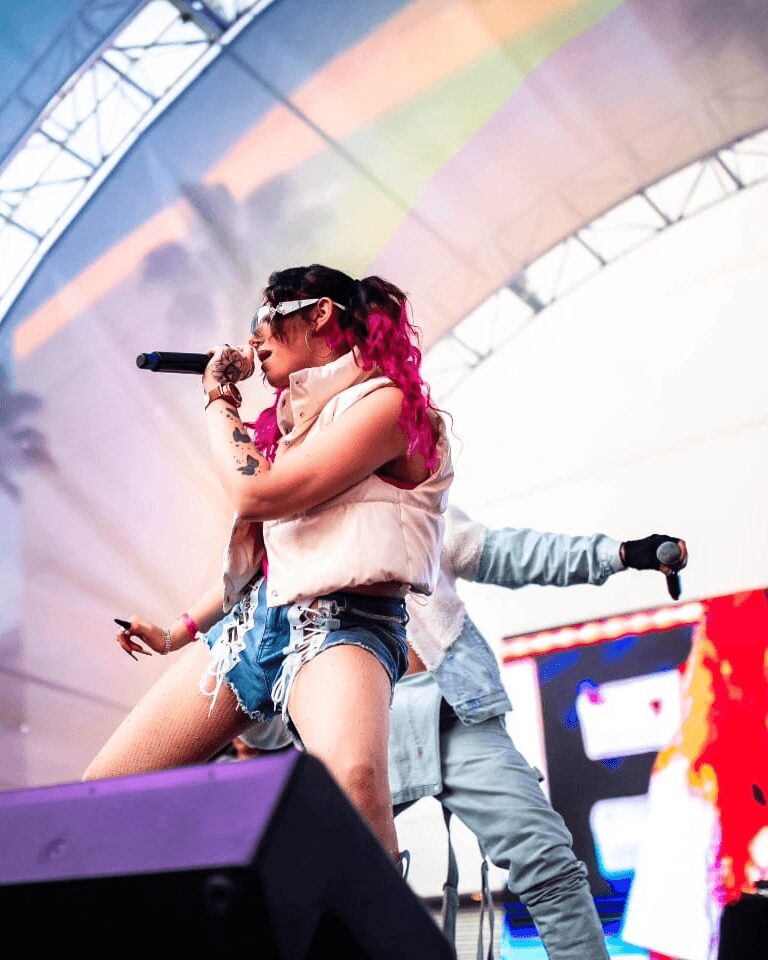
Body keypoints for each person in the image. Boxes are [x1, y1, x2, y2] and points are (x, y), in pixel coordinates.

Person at [83, 264, 453, 859]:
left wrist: (218, 399)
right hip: (254, 625)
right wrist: (176, 633)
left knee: (354, 787)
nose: (252, 336)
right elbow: (267, 562)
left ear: (320, 314)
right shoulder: (292, 429)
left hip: (340, 628)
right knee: (104, 792)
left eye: (264, 318)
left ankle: (380, 913)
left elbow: (257, 493)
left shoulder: (388, 406)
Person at [388, 505, 688, 960]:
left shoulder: (412, 501)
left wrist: (618, 554)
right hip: (356, 716)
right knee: (330, 879)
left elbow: (504, 551)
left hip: (453, 703)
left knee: (547, 860)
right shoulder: (289, 510)